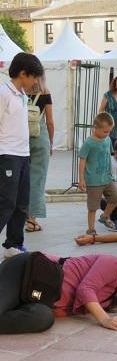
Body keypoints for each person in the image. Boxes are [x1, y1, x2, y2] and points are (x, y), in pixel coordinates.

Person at [0, 52, 44, 259]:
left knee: (21, 203)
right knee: (6, 202)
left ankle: (13, 244)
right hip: (6, 154)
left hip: (23, 154)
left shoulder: (23, 96)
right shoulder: (3, 93)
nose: (35, 81)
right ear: (23, 73)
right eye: (34, 77)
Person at [78, 113, 117, 234]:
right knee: (93, 207)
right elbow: (82, 160)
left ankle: (105, 216)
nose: (107, 134)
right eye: (105, 131)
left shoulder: (107, 139)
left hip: (107, 179)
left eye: (109, 131)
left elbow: (110, 157)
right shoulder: (88, 143)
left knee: (116, 198)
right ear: (95, 127)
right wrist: (81, 179)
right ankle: (91, 229)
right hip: (94, 181)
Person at [25, 77, 54, 233]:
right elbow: (49, 121)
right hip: (39, 137)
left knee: (21, 179)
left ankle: (20, 215)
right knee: (37, 179)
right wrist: (51, 141)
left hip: (20, 138)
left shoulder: (20, 91)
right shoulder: (45, 92)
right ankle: (32, 220)